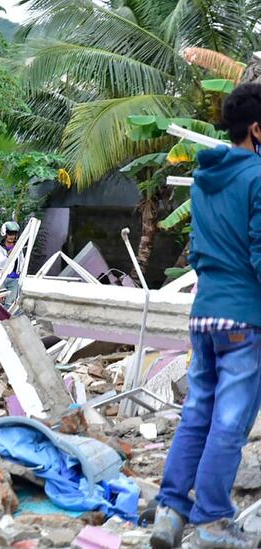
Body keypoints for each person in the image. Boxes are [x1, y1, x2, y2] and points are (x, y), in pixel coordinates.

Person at [151, 84, 261, 549]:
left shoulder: (203, 180)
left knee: (198, 413)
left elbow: (199, 250)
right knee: (231, 421)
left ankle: (170, 513)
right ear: (257, 130)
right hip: (243, 317)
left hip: (204, 315)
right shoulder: (258, 177)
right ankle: (214, 520)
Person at [0, 221, 23, 308]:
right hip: (1, 278)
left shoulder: (18, 247)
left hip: (14, 279)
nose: (11, 236)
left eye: (14, 234)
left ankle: (6, 320)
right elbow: (1, 262)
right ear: (5, 234)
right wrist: (9, 255)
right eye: (9, 234)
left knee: (10, 304)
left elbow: (22, 261)